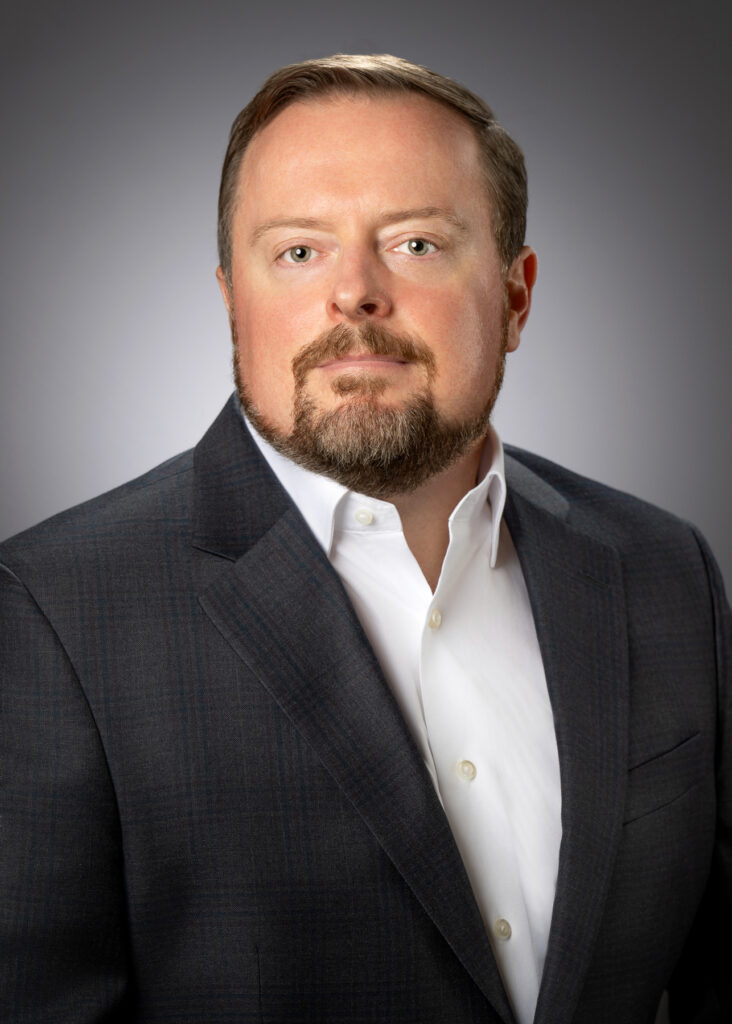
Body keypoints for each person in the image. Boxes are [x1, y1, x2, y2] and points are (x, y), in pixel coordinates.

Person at [0, 53, 729, 1024]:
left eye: (419, 243)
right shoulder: (52, 611)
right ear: (232, 297)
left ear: (516, 296)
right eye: (299, 251)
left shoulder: (662, 567)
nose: (354, 293)